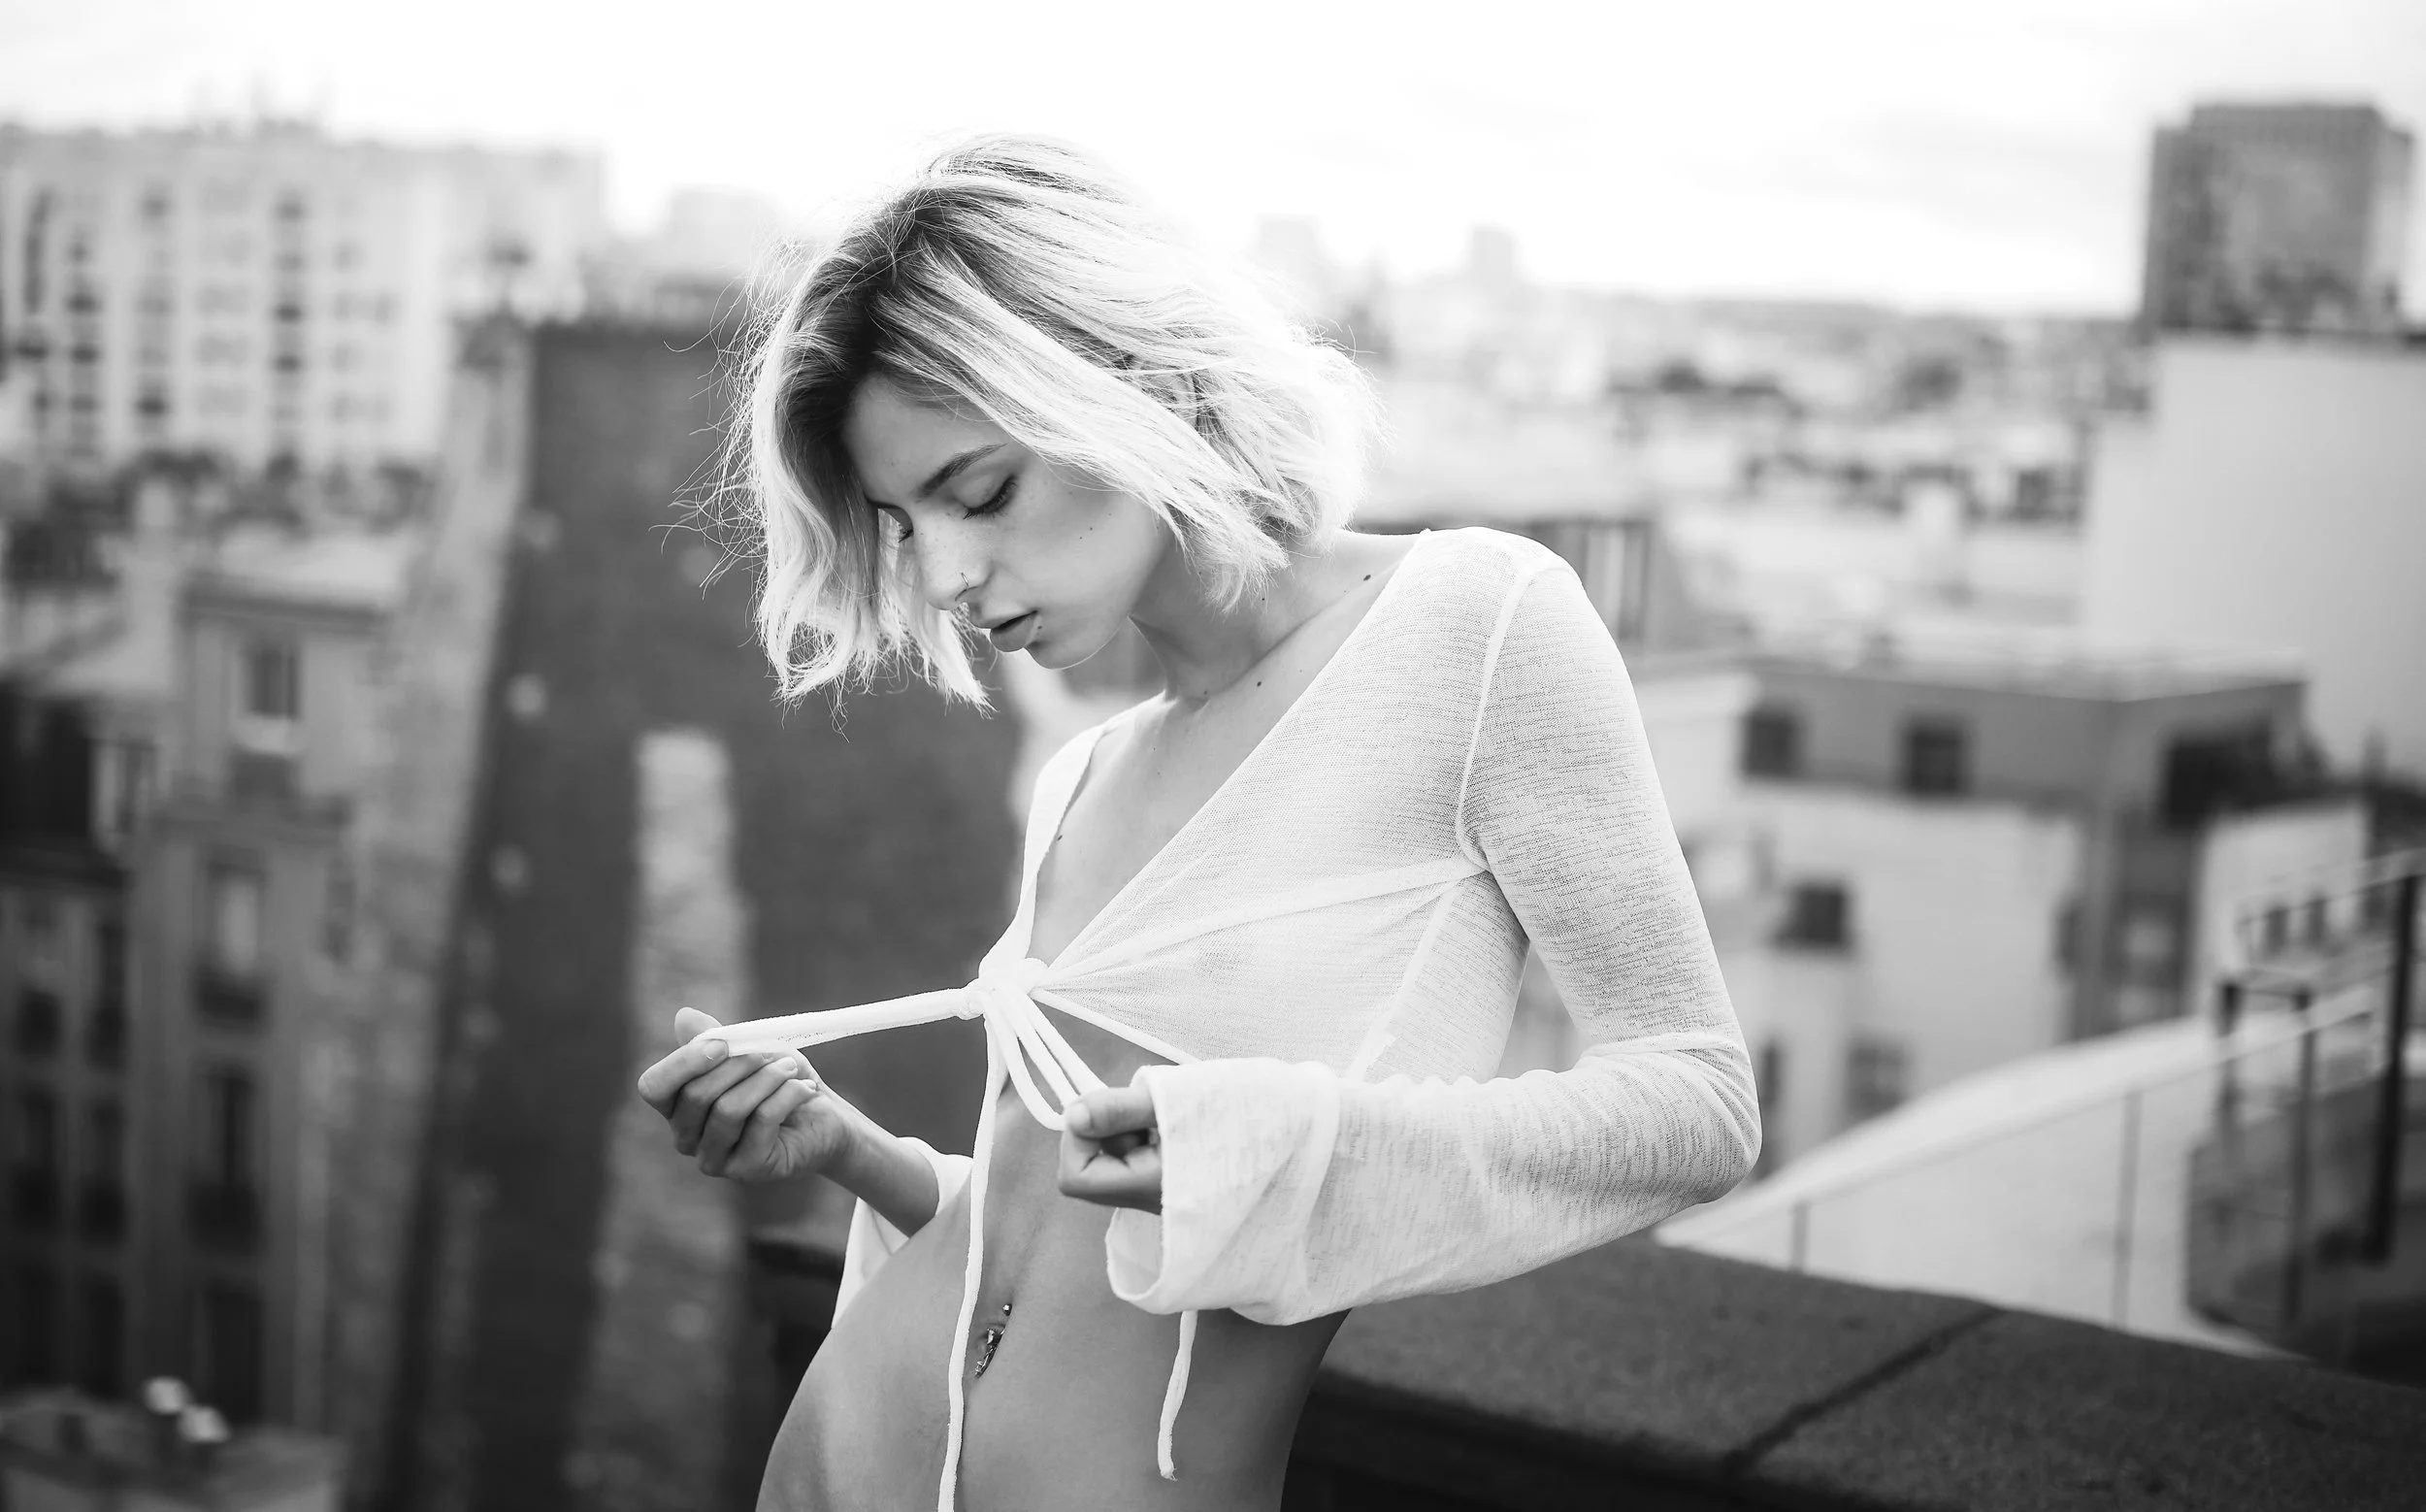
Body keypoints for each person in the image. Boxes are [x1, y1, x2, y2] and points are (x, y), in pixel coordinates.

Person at [635, 134, 1760, 1512]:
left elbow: (1700, 1103)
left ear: (1137, 375)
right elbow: (1047, 1242)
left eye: (977, 491)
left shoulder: (1470, 629)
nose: (943, 574)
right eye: (901, 523)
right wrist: (844, 1149)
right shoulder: (1082, 778)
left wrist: (1280, 1138)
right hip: (830, 1468)